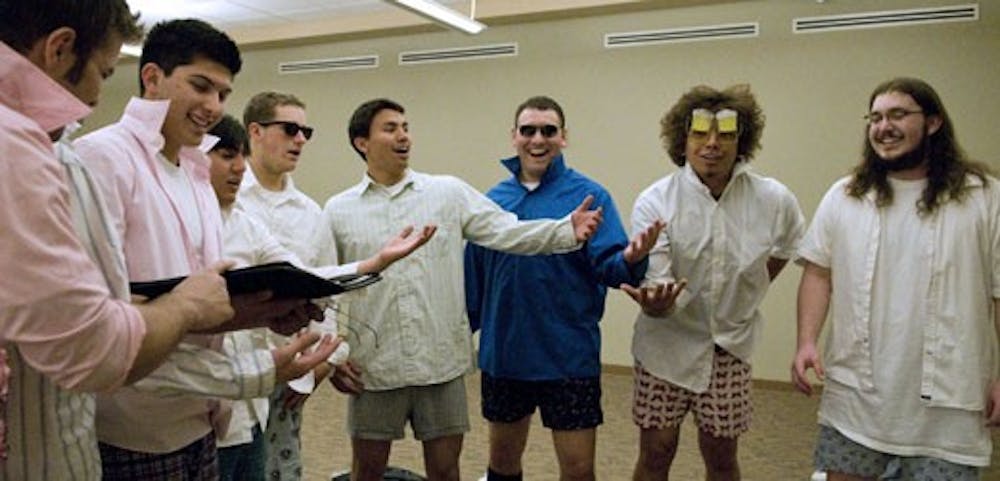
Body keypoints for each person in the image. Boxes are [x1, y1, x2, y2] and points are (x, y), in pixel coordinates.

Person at [74, 19, 336, 480]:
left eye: (223, 93)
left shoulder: (194, 174)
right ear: (151, 76)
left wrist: (258, 313)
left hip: (203, 423)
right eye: (200, 86)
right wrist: (253, 373)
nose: (213, 106)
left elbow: (198, 305)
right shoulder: (102, 159)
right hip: (134, 429)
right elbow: (106, 328)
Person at [0, 2, 251, 480]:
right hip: (113, 429)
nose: (96, 96)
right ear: (59, 48)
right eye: (103, 71)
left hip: (192, 417)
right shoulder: (71, 155)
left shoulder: (199, 171)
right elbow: (91, 343)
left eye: (223, 93)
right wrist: (186, 308)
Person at [322, 98, 604, 481]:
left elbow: (508, 231)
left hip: (440, 365)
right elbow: (327, 288)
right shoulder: (338, 210)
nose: (403, 135)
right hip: (375, 366)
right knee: (367, 471)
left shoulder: (447, 193)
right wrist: (335, 356)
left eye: (406, 126)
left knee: (445, 470)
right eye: (390, 128)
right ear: (361, 143)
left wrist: (565, 230)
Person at [791, 77, 999, 481]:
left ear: (934, 122)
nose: (883, 127)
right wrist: (806, 342)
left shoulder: (982, 197)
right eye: (875, 117)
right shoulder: (846, 194)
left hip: (947, 407)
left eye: (898, 114)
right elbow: (818, 272)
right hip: (857, 399)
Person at [207, 115, 435, 481]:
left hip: (253, 403)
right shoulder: (184, 223)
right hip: (202, 405)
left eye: (239, 156)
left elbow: (303, 278)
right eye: (225, 155)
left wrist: (374, 262)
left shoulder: (246, 223)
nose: (238, 167)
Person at [463, 95, 662, 481]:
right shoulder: (491, 202)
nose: (538, 139)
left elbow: (611, 268)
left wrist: (633, 258)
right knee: (502, 465)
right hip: (505, 355)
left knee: (578, 469)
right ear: (514, 137)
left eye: (548, 131)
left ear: (564, 138)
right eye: (529, 130)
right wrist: (458, 337)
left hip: (568, 357)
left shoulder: (591, 197)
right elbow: (473, 282)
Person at [625, 85, 805, 481]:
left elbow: (789, 245)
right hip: (665, 346)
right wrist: (657, 303)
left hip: (731, 345)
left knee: (722, 457)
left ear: (741, 140)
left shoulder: (773, 198)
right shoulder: (656, 200)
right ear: (682, 140)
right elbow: (658, 278)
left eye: (725, 134)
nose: (712, 144)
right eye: (699, 133)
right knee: (656, 451)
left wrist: (750, 288)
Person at [238, 91, 343, 481]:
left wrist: (317, 368)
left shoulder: (310, 213)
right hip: (230, 369)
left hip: (290, 370)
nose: (300, 139)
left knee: (281, 470)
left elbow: (327, 293)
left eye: (305, 131)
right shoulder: (224, 199)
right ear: (256, 131)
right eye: (290, 129)